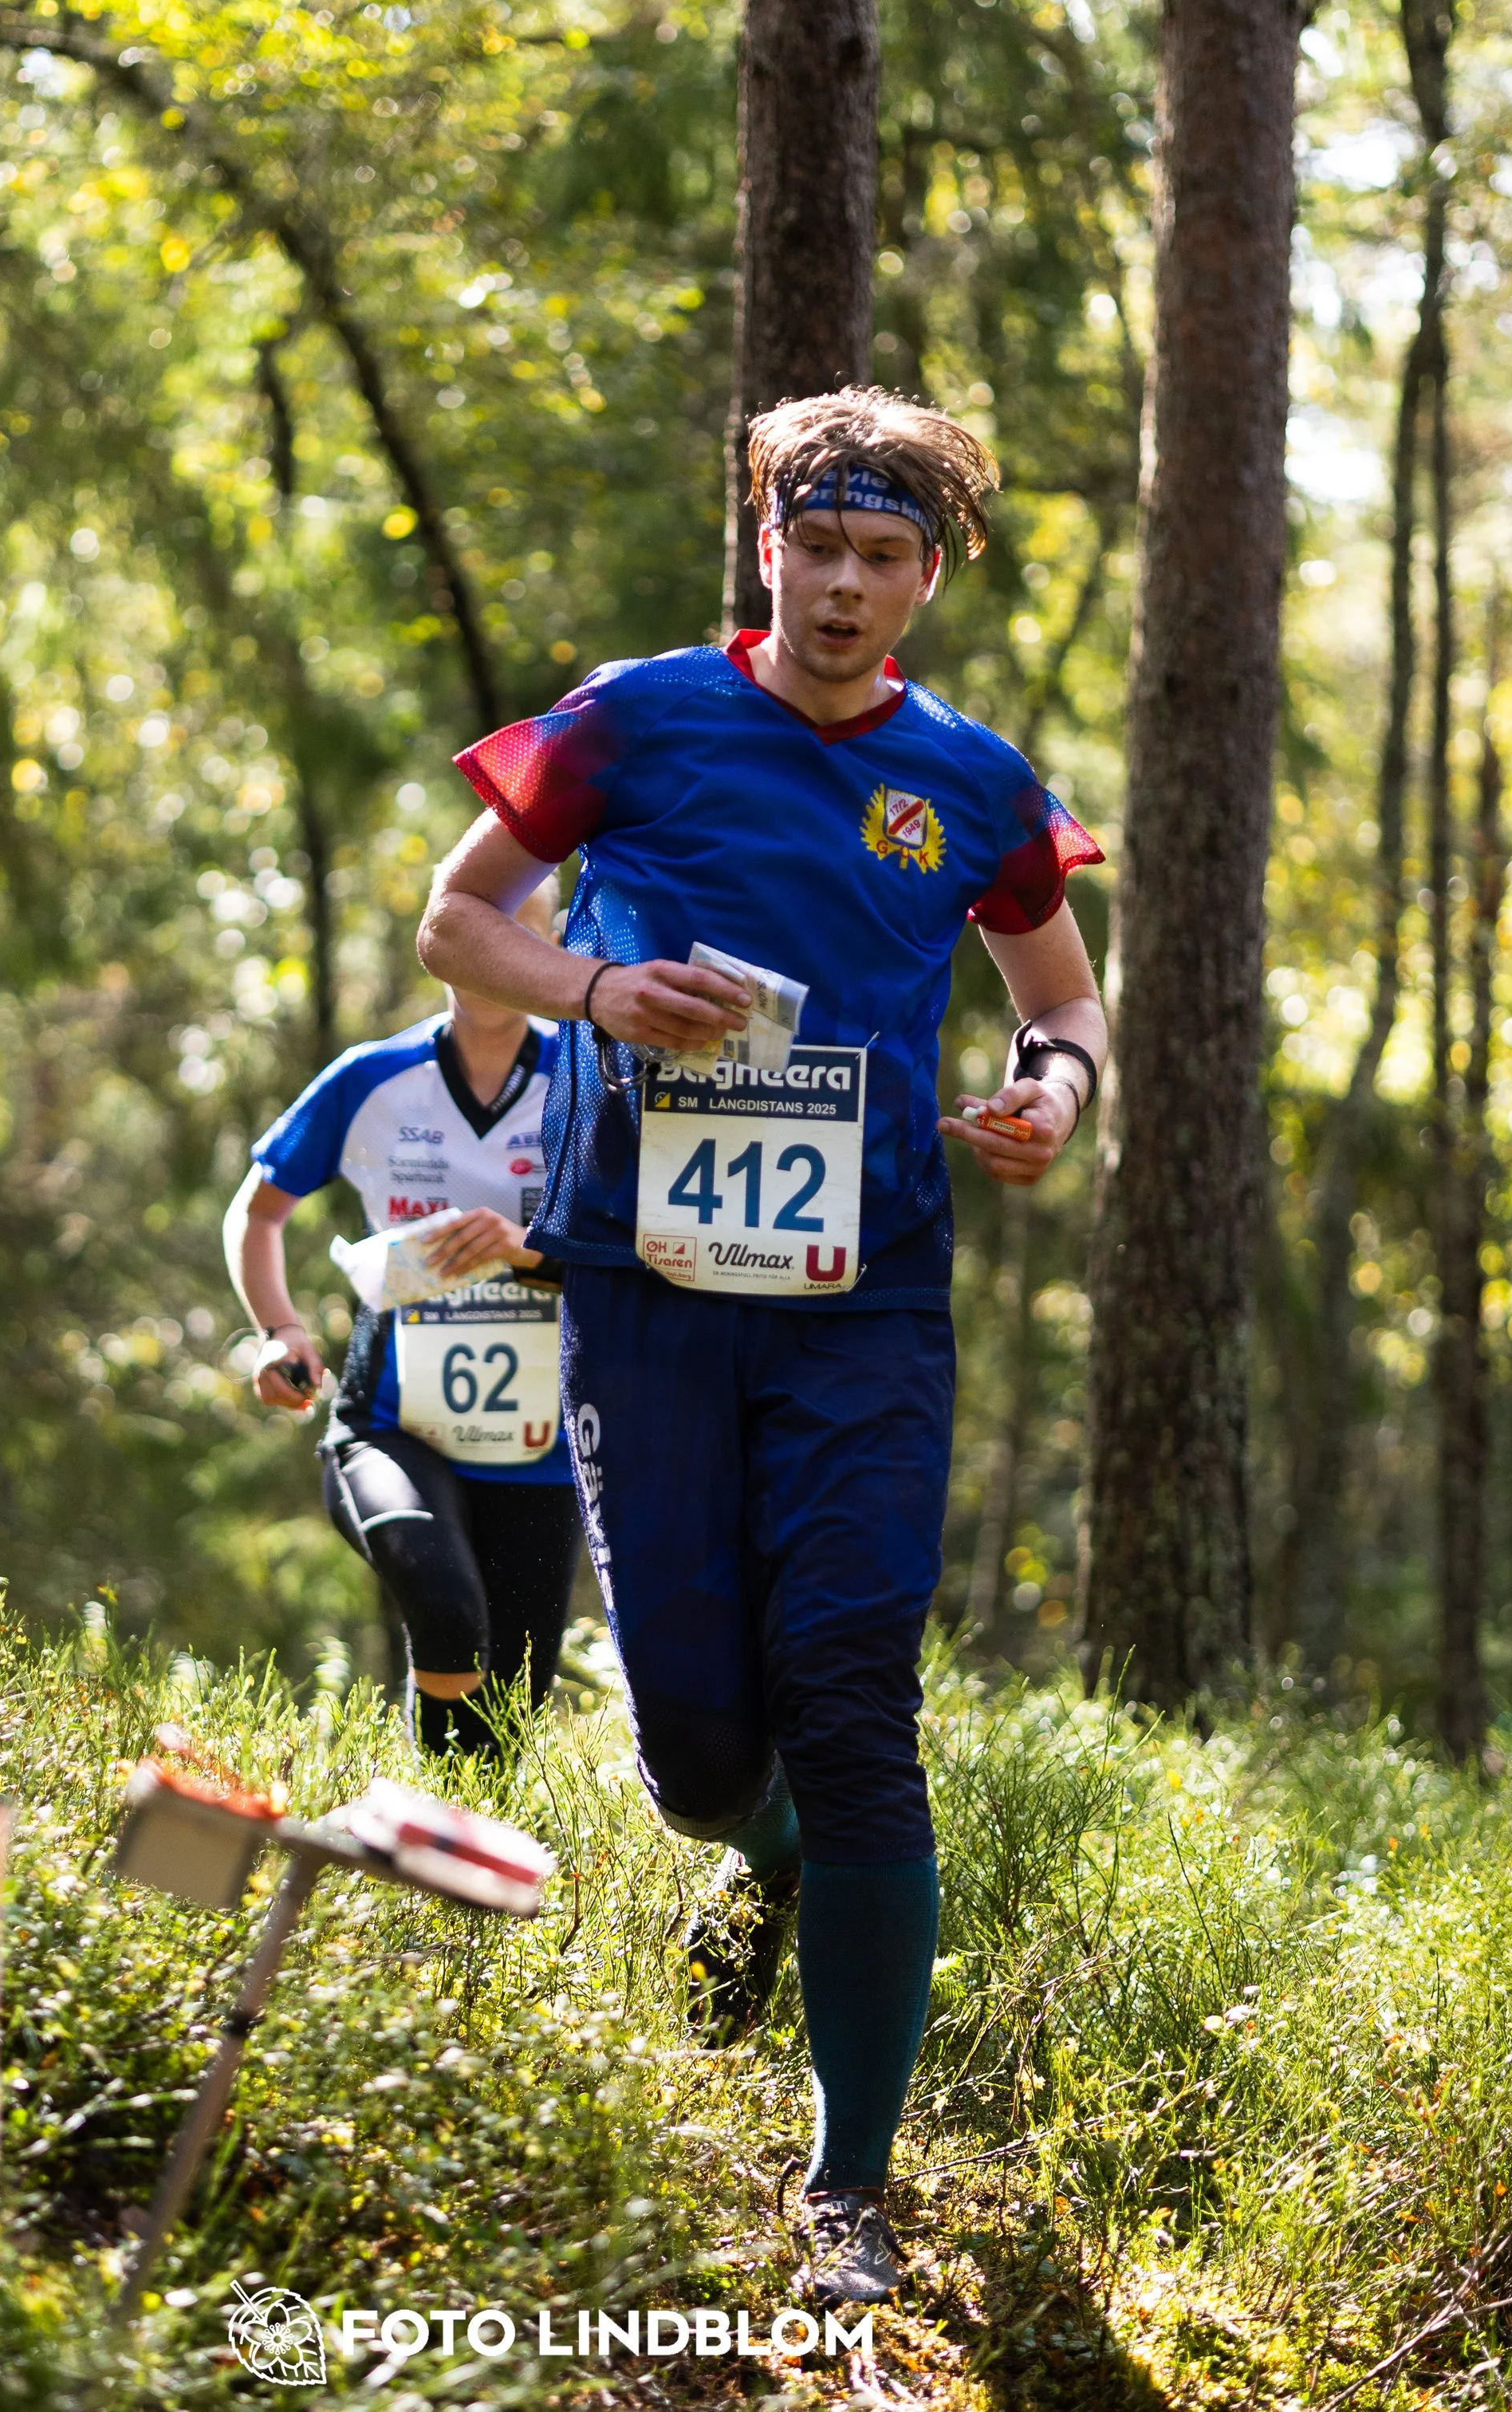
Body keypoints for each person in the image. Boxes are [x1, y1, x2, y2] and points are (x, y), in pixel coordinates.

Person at [415, 389, 1107, 2300]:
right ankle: (766, 1848)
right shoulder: (638, 716)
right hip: (639, 1281)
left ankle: (847, 2191)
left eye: (889, 556)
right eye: (822, 545)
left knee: (857, 1701)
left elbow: (1062, 999)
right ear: (769, 542)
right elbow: (458, 923)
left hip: (866, 1295)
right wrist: (597, 989)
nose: (848, 584)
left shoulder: (970, 777)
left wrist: (1050, 1092)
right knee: (701, 1752)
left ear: (930, 576)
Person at [224, 887, 583, 1761]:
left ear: (555, 943)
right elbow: (256, 1211)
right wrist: (281, 1329)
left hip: (544, 1444)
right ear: (437, 942)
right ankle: (426, 1830)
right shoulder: (371, 1077)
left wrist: (524, 1248)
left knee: (510, 1710)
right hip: (392, 1422)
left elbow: (639, 1251)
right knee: (445, 1604)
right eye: (474, 932)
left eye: (518, 933)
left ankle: (455, 1860)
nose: (493, 955)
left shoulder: (589, 1077)